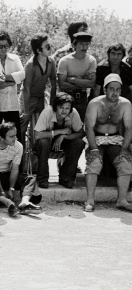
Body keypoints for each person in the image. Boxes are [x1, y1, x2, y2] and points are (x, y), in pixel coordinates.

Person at [84, 74, 132, 213]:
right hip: (96, 138)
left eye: (118, 89)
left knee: (125, 162)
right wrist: (93, 149)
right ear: (105, 90)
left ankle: (122, 200)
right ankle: (90, 200)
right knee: (95, 162)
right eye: (111, 89)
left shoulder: (125, 104)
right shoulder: (95, 103)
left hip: (115, 138)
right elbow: (89, 128)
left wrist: (124, 149)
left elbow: (129, 128)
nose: (115, 93)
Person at [0, 122, 42, 217]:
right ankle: (8, 203)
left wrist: (11, 188)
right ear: (2, 138)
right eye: (11, 137)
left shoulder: (18, 146)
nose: (15, 139)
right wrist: (2, 191)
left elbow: (15, 169)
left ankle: (24, 203)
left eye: (15, 135)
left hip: (8, 174)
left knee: (30, 178)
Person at [33, 92, 85, 188]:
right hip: (47, 142)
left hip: (64, 142)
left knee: (79, 143)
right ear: (55, 107)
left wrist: (64, 136)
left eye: (67, 108)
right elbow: (37, 135)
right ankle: (42, 179)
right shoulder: (47, 112)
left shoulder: (73, 113)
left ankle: (66, 178)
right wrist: (60, 131)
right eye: (61, 107)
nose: (64, 111)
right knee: (43, 143)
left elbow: (81, 133)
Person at [20, 33, 57, 151]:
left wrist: (51, 106)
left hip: (40, 98)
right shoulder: (31, 65)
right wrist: (26, 111)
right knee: (22, 127)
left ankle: (35, 161)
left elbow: (54, 84)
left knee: (39, 128)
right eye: (47, 47)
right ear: (38, 50)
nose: (50, 49)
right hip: (28, 98)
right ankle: (20, 160)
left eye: (50, 45)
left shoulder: (51, 62)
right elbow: (26, 89)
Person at [0, 31, 25, 141]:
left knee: (15, 137)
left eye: (6, 46)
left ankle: (16, 158)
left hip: (12, 104)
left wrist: (4, 77)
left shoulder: (14, 58)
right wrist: (12, 81)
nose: (3, 49)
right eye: (0, 46)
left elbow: (22, 74)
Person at [57, 32, 96, 121]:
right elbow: (62, 84)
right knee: (65, 124)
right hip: (67, 97)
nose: (84, 47)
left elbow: (91, 83)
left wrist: (72, 79)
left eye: (86, 44)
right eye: (81, 44)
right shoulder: (64, 61)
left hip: (82, 97)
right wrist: (82, 82)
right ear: (74, 45)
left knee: (81, 126)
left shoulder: (91, 60)